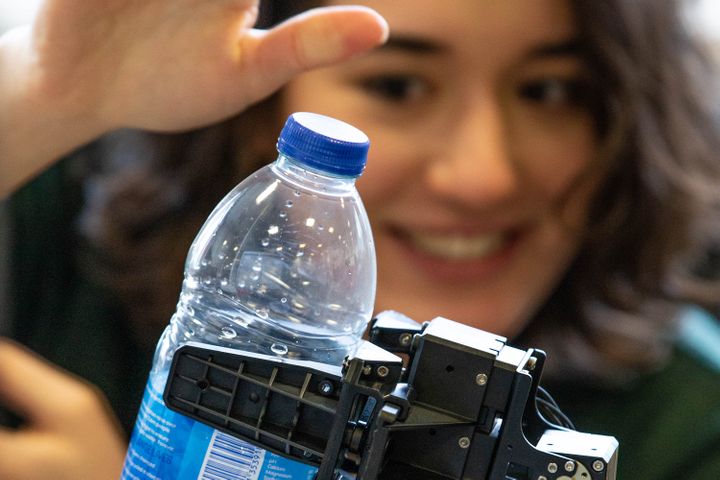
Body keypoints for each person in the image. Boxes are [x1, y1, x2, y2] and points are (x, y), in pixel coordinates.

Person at [2, 0, 720, 479]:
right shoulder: (51, 222)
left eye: (550, 91)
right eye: (399, 86)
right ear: (261, 110)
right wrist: (47, 95)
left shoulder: (688, 425)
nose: (484, 176)